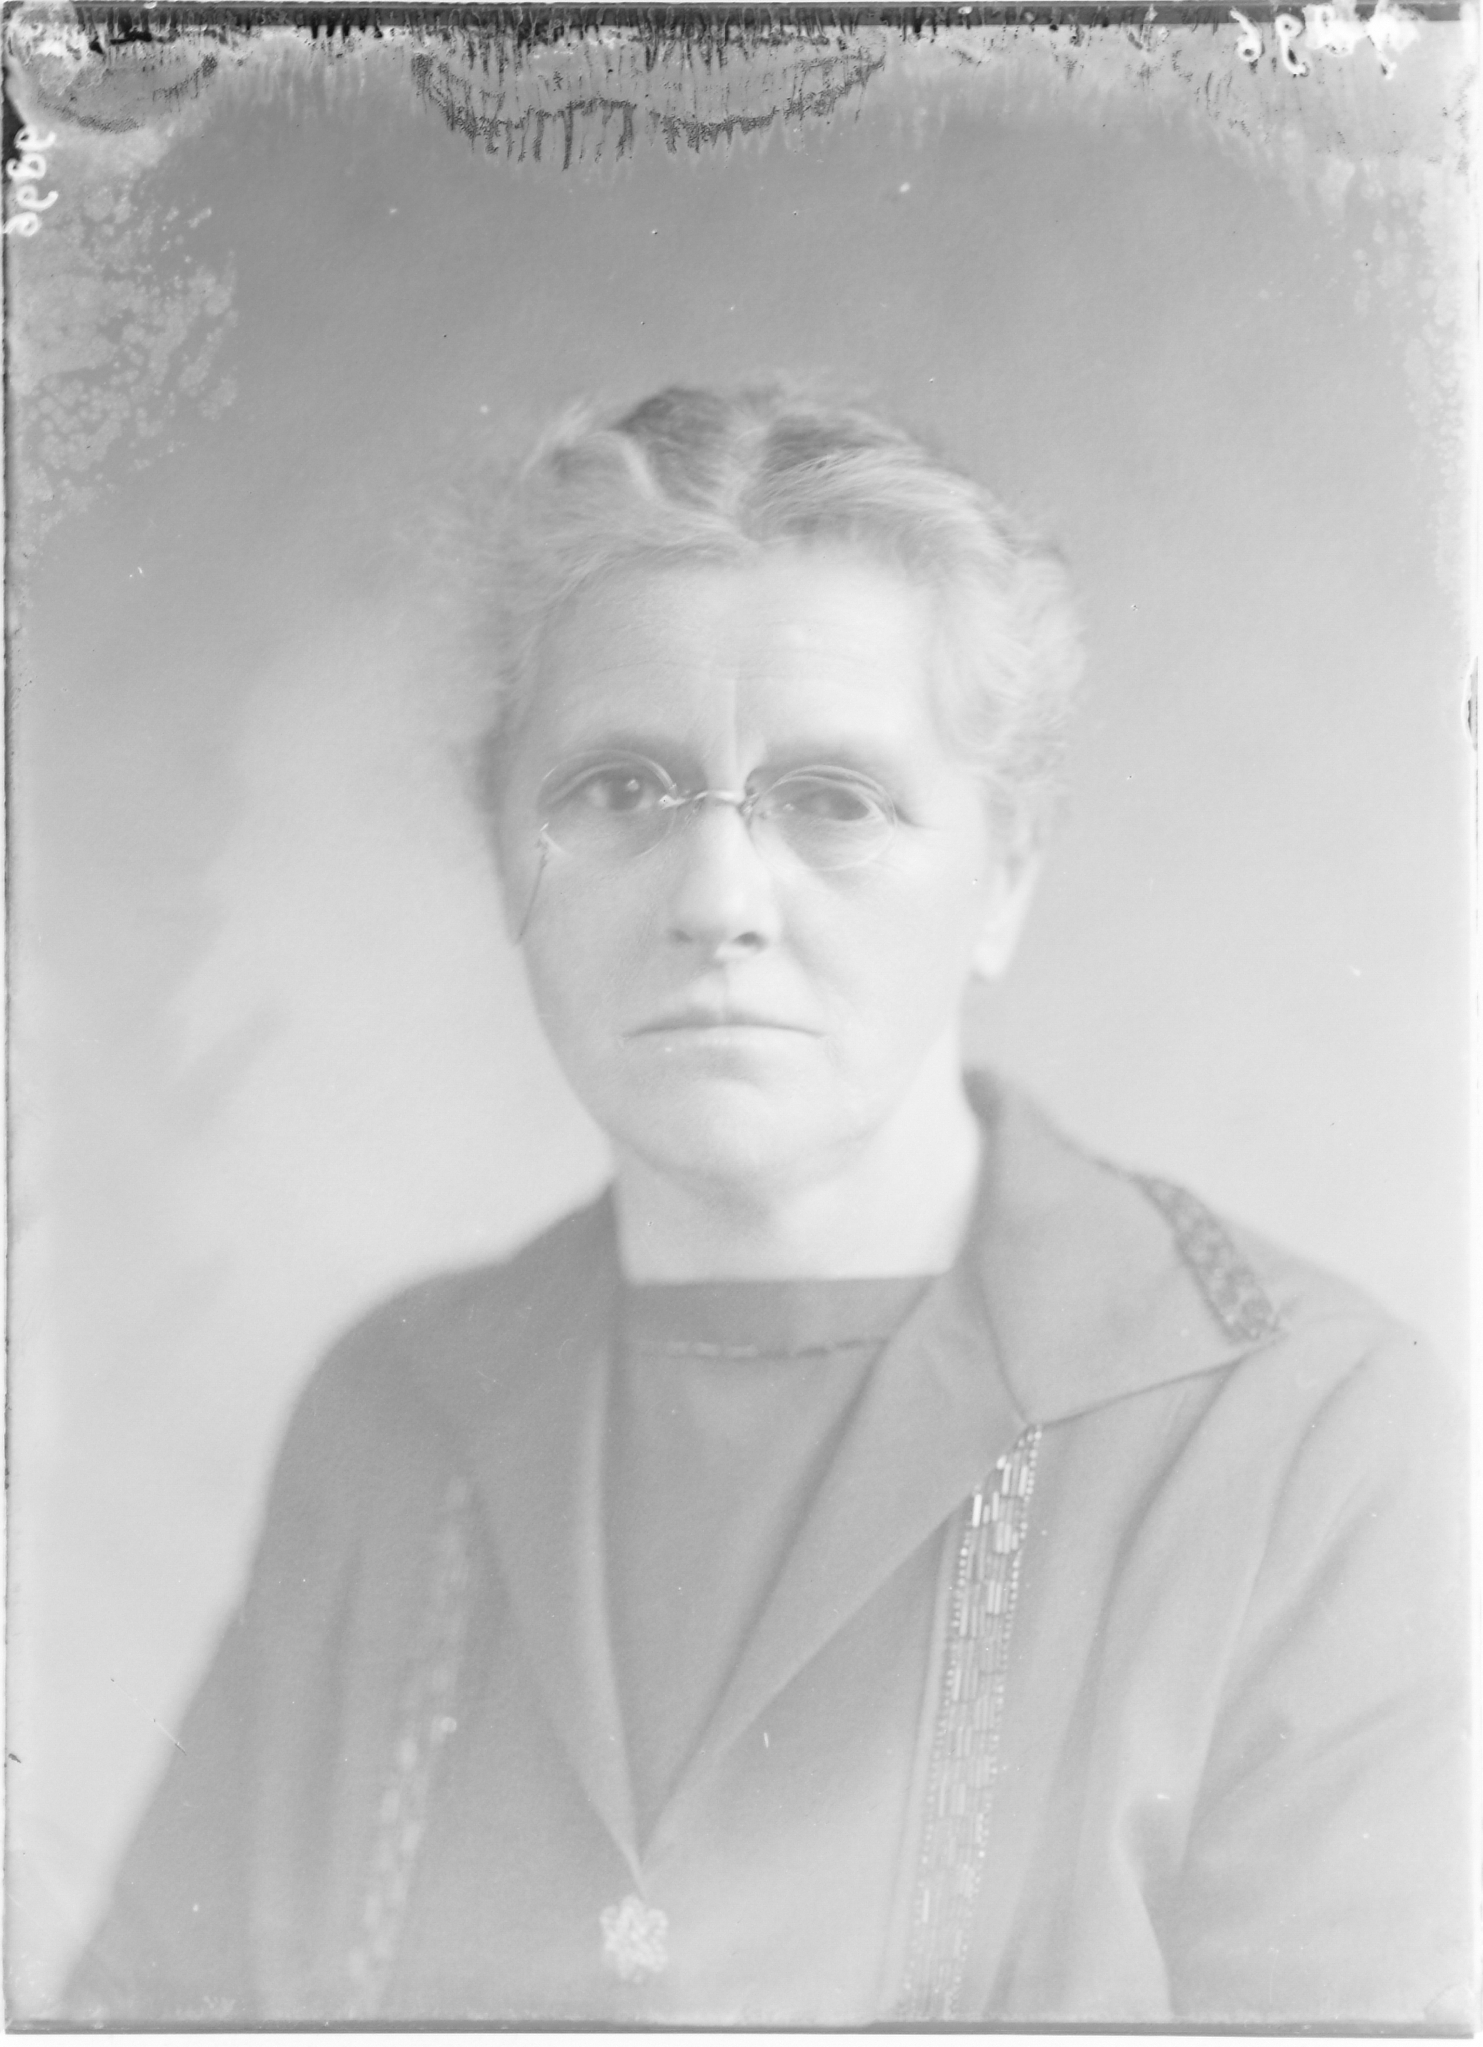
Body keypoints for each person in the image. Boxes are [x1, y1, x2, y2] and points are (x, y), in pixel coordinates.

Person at [66, 384, 1471, 2026]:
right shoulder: (393, 1417)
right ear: (501, 849)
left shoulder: (1303, 1436)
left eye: (834, 800)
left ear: (1007, 872)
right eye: (617, 791)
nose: (719, 897)